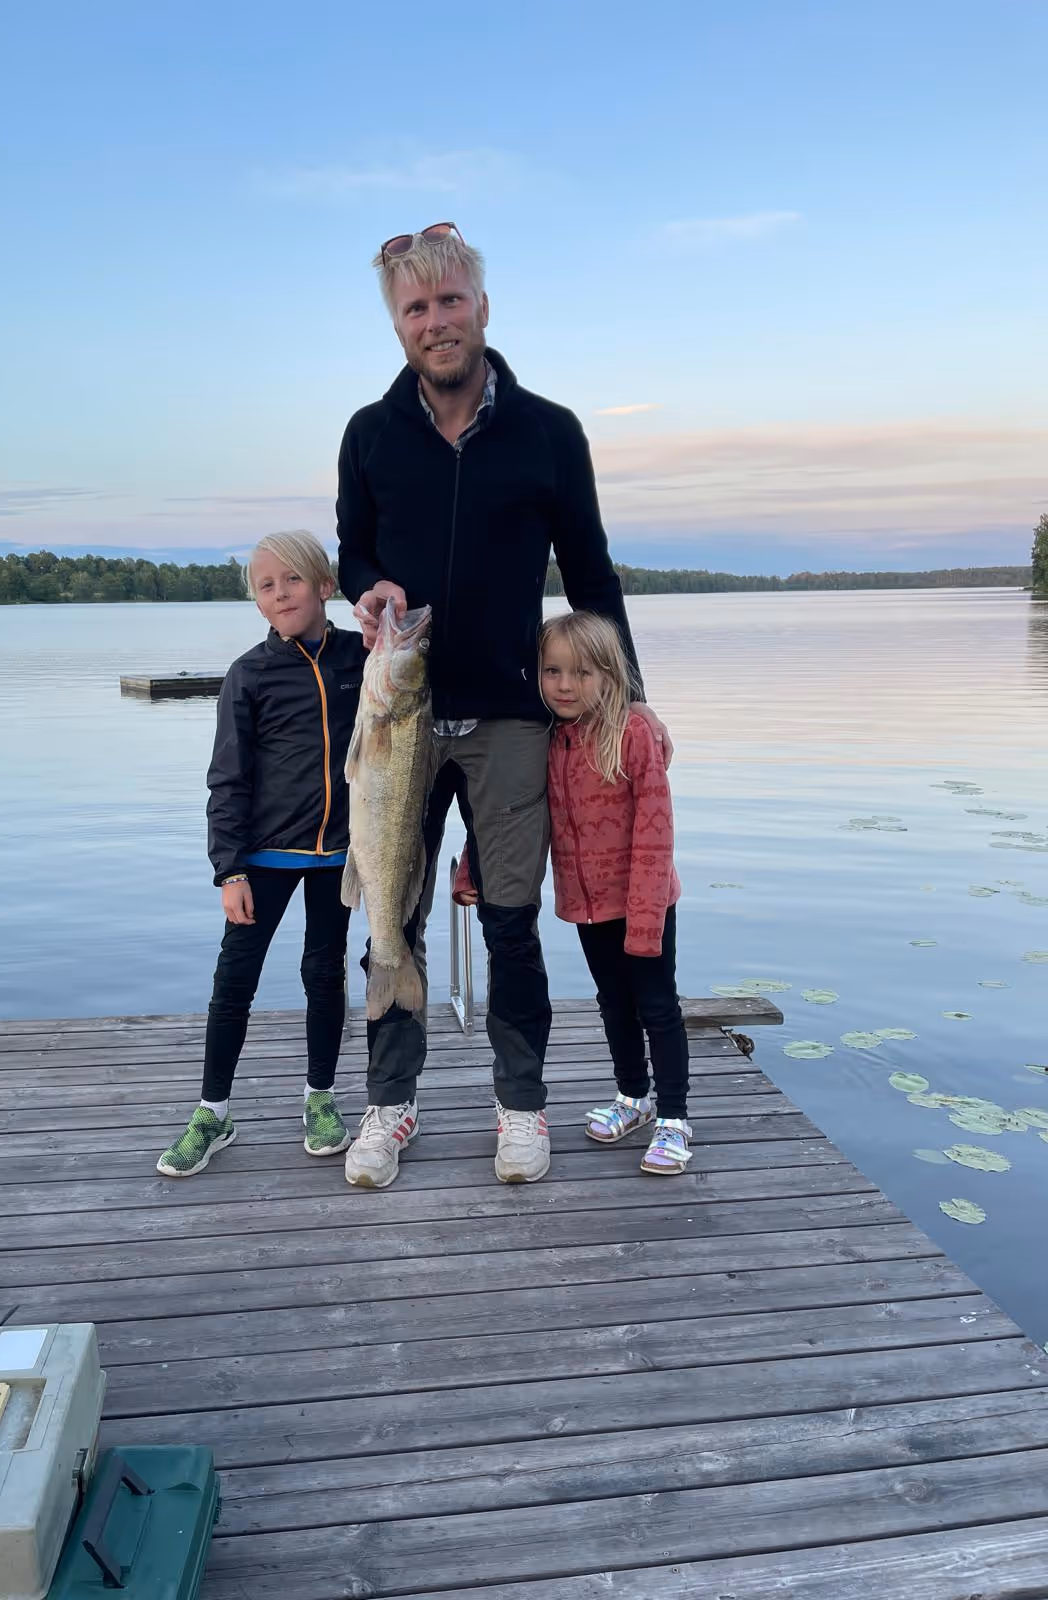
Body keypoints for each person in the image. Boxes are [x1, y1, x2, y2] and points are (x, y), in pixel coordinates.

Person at [336, 222, 672, 1190]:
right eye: (416, 307)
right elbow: (354, 548)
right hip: (396, 719)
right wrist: (366, 588)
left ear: (481, 307)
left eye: (450, 301)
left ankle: (520, 1107)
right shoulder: (369, 433)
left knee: (512, 922)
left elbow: (592, 573)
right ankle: (390, 1105)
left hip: (511, 719)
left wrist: (630, 701)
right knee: (392, 911)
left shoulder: (550, 432)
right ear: (397, 325)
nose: (435, 321)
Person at [157, 531, 365, 1177]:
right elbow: (228, 779)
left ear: (325, 586)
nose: (280, 593)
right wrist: (229, 870)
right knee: (234, 982)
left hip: (340, 855)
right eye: (266, 585)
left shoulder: (362, 658)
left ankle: (320, 1097)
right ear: (256, 601)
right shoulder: (249, 674)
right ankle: (212, 1112)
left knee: (324, 975)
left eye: (292, 579)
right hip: (264, 857)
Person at [455, 611, 690, 1174]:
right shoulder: (544, 738)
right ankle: (633, 1096)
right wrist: (471, 870)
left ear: (609, 674)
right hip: (587, 906)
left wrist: (645, 919)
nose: (565, 685)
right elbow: (507, 814)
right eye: (552, 671)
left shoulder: (632, 735)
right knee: (613, 1003)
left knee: (657, 1006)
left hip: (644, 901)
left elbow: (656, 832)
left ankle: (674, 1119)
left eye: (582, 673)